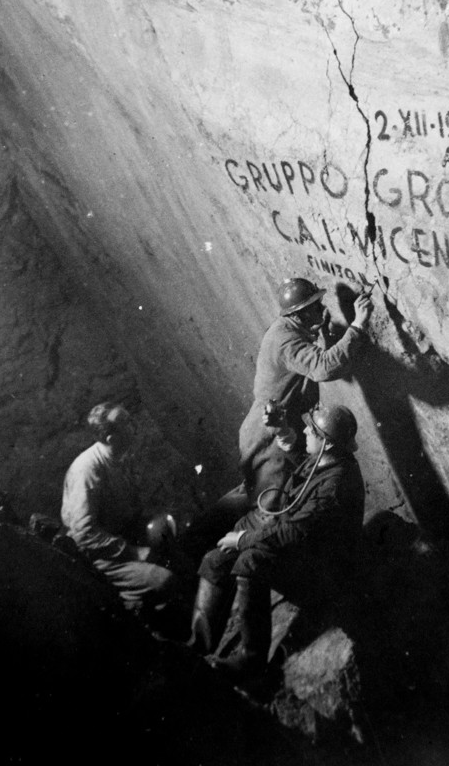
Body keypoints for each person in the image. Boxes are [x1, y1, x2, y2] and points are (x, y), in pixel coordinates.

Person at [190, 404, 366, 682]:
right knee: (215, 559)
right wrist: (283, 431)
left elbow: (294, 531)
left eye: (312, 430)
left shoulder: (337, 485)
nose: (306, 429)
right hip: (300, 544)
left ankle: (251, 660)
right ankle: (199, 645)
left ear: (327, 444)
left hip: (321, 569)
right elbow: (303, 464)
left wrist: (245, 540)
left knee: (250, 560)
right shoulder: (326, 458)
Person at [237, 277, 372, 510]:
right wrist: (357, 326)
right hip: (271, 430)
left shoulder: (288, 327)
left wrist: (321, 332)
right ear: (298, 315)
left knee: (282, 488)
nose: (323, 309)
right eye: (315, 307)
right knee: (272, 502)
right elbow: (323, 368)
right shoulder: (285, 340)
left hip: (279, 423)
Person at [61, 402, 182, 615]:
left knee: (176, 545)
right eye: (126, 423)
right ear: (111, 439)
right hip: (97, 554)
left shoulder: (118, 456)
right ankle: (135, 613)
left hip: (120, 535)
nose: (133, 424)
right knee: (164, 581)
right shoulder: (87, 471)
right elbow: (84, 533)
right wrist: (133, 552)